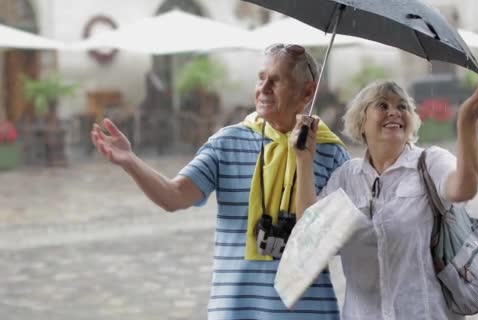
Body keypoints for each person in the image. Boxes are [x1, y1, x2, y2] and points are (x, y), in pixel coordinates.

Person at [90, 44, 349, 320]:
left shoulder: (333, 155)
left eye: (276, 81)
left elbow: (323, 243)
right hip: (236, 310)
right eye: (261, 78)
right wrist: (130, 160)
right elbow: (174, 196)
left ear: (307, 91)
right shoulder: (226, 143)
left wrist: (303, 161)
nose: (263, 88)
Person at [292, 77, 478, 319]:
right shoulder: (346, 177)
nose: (394, 112)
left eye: (402, 106)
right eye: (382, 105)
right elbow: (310, 235)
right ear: (361, 122)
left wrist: (467, 120)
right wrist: (303, 159)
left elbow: (464, 188)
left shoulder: (431, 162)